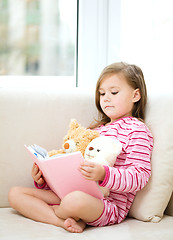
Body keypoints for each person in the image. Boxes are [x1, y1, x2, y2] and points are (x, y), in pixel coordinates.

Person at [8, 62, 153, 233]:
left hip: (106, 204)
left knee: (74, 200)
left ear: (136, 95)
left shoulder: (137, 130)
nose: (106, 98)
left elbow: (140, 176)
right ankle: (63, 221)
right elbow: (75, 168)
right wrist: (44, 179)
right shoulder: (93, 131)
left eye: (114, 92)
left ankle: (63, 212)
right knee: (15, 193)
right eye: (102, 93)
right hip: (71, 192)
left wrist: (104, 174)